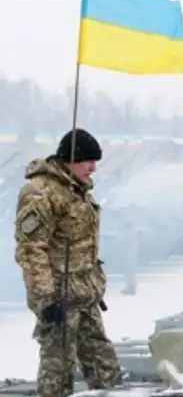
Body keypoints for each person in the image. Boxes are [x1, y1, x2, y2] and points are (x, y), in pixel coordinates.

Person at [14, 128, 121, 397]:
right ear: (71, 159)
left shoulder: (78, 191)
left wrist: (93, 284)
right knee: (58, 373)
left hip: (84, 296)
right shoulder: (41, 194)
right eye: (88, 161)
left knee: (105, 368)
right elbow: (31, 249)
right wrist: (46, 300)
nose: (93, 168)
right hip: (58, 299)